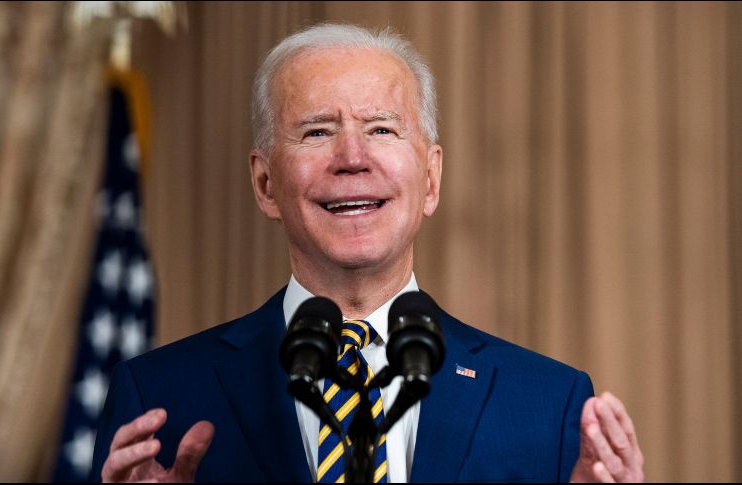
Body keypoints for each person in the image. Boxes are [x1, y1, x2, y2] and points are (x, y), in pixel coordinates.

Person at [90, 23, 645, 483]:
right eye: (316, 132)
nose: (352, 158)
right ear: (264, 184)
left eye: (381, 129)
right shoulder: (158, 398)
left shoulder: (549, 406)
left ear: (430, 179)